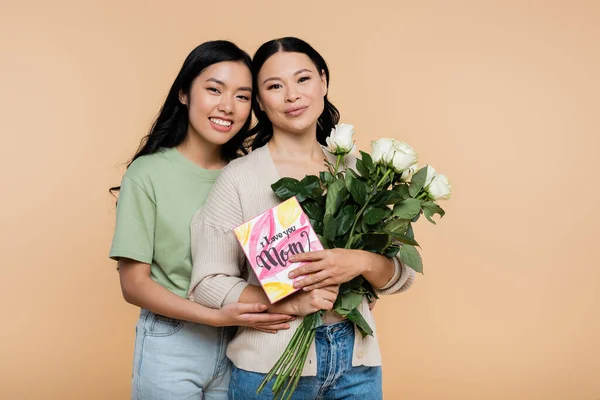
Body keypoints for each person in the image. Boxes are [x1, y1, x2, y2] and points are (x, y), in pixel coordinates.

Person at [189, 37, 415, 399]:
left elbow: (402, 274)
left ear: (323, 81)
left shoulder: (361, 172)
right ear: (261, 102)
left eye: (303, 79)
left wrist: (360, 261)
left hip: (357, 366)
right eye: (274, 86)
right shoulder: (240, 177)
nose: (292, 95)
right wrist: (285, 303)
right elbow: (207, 282)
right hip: (272, 372)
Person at [109, 40, 293, 400]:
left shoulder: (253, 174)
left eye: (242, 96)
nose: (227, 106)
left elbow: (279, 266)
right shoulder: (147, 174)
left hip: (246, 341)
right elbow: (133, 285)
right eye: (214, 90)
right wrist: (215, 317)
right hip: (174, 343)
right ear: (183, 93)